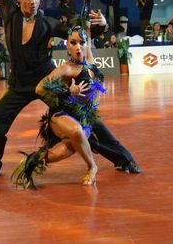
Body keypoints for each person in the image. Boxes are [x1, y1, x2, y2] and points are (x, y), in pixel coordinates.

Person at [0, 0, 106, 179]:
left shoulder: (47, 22)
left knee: (82, 117)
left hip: (46, 82)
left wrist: (99, 26)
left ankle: (120, 157)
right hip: (18, 86)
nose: (33, 1)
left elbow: (75, 32)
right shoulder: (10, 13)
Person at [12, 25, 105, 188]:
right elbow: (40, 88)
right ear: (67, 46)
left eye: (81, 43)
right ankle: (92, 167)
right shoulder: (66, 68)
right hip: (61, 115)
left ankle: (29, 163)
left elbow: (86, 31)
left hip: (83, 120)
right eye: (73, 43)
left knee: (55, 155)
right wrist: (68, 92)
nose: (78, 47)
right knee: (76, 131)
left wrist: (87, 1)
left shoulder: (89, 63)